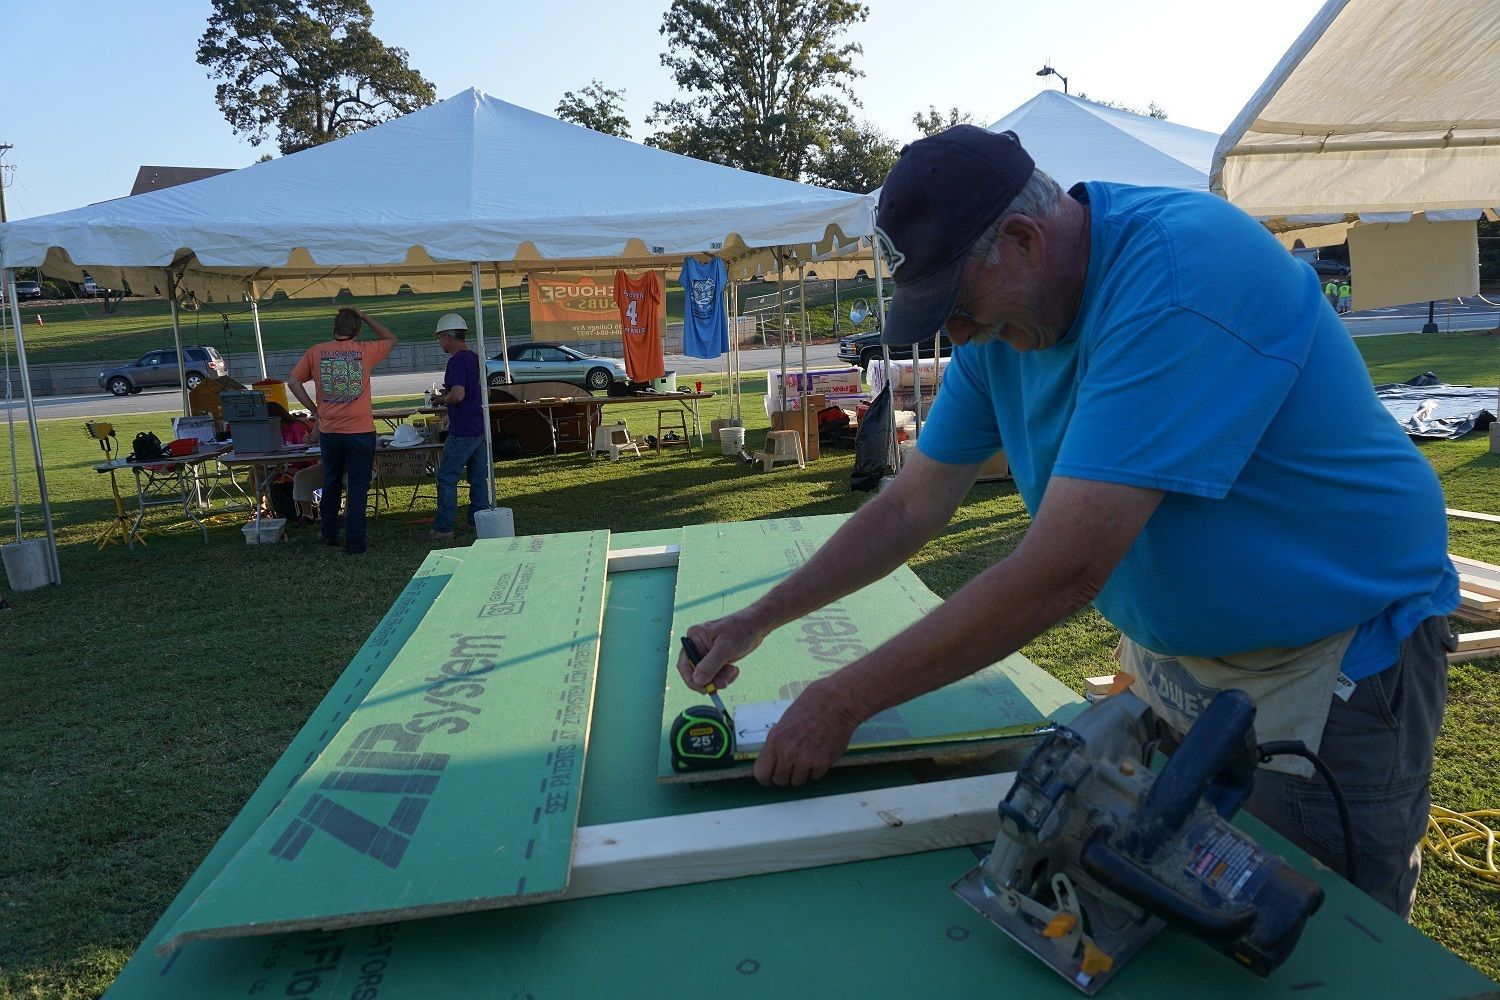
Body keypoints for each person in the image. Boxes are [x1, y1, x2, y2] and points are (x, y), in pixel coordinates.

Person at [677, 126, 1456, 920]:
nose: (957, 334)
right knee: (1167, 895)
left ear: (1020, 241)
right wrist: (756, 619)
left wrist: (841, 701)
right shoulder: (1004, 327)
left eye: (960, 305)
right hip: (1174, 663)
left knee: (1309, 932)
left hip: (1328, 667)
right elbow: (913, 502)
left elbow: (1065, 568)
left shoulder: (1182, 273)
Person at [287, 306, 397, 554]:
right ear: (357, 330)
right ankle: (355, 543)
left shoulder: (316, 352)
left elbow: (293, 382)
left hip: (330, 431)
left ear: (334, 329)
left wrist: (315, 410)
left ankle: (329, 535)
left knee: (331, 482)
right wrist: (367, 317)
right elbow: (391, 339)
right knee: (357, 490)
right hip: (360, 431)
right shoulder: (365, 351)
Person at [426, 312, 490, 541]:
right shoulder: (474, 358)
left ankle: (444, 528)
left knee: (446, 477)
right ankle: (478, 521)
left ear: (447, 336)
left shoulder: (456, 361)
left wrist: (442, 399)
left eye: (440, 338)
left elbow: (458, 395)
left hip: (463, 428)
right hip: (479, 426)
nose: (440, 343)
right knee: (478, 477)